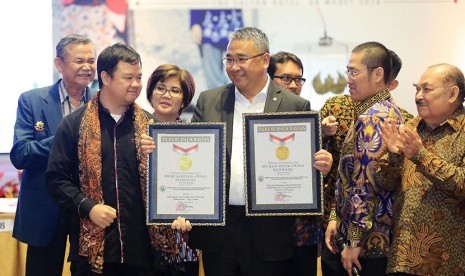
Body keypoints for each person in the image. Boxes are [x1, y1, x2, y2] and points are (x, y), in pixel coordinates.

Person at [186, 26, 333, 276]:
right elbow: (195, 159)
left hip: (270, 232)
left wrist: (321, 166)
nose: (233, 66)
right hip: (220, 232)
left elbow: (304, 167)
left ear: (265, 60)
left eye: (241, 59)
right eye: (229, 59)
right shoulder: (209, 101)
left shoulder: (294, 105)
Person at [46, 43, 191, 275]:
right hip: (93, 254)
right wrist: (88, 207)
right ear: (106, 77)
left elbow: (173, 182)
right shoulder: (75, 125)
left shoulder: (150, 127)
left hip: (143, 253)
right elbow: (56, 180)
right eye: (128, 77)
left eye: (139, 77)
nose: (136, 84)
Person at [320, 49, 413, 275]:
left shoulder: (372, 117)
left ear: (378, 74)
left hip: (364, 248)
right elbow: (350, 178)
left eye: (354, 73)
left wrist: (353, 243)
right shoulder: (383, 110)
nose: (348, 80)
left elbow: (365, 185)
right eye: (348, 72)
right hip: (371, 240)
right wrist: (335, 216)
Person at [10, 34, 96, 276]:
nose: (87, 67)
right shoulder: (32, 100)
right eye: (79, 60)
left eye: (92, 60)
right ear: (59, 64)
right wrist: (66, 135)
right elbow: (21, 154)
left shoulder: (102, 103)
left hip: (87, 209)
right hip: (45, 208)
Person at [377, 63, 465, 276]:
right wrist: (394, 156)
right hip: (401, 257)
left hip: (448, 263)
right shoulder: (409, 127)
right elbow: (384, 184)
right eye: (417, 89)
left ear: (453, 94)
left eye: (427, 89)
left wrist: (420, 155)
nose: (418, 96)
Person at [267, 51, 331, 276]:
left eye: (298, 79)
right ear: (269, 78)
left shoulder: (308, 114)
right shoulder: (254, 117)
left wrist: (324, 146)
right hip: (265, 228)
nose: (293, 85)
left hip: (301, 227)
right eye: (285, 78)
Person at [146, 64, 200, 275]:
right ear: (150, 92)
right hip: (141, 245)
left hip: (183, 243)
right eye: (160, 88)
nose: (166, 95)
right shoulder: (132, 133)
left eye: (175, 90)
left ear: (184, 99)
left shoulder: (198, 138)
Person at [190, 9, 243, 89]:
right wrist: (195, 22)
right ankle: (221, 98)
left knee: (240, 73)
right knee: (213, 78)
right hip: (208, 23)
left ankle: (233, 97)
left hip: (233, 20)